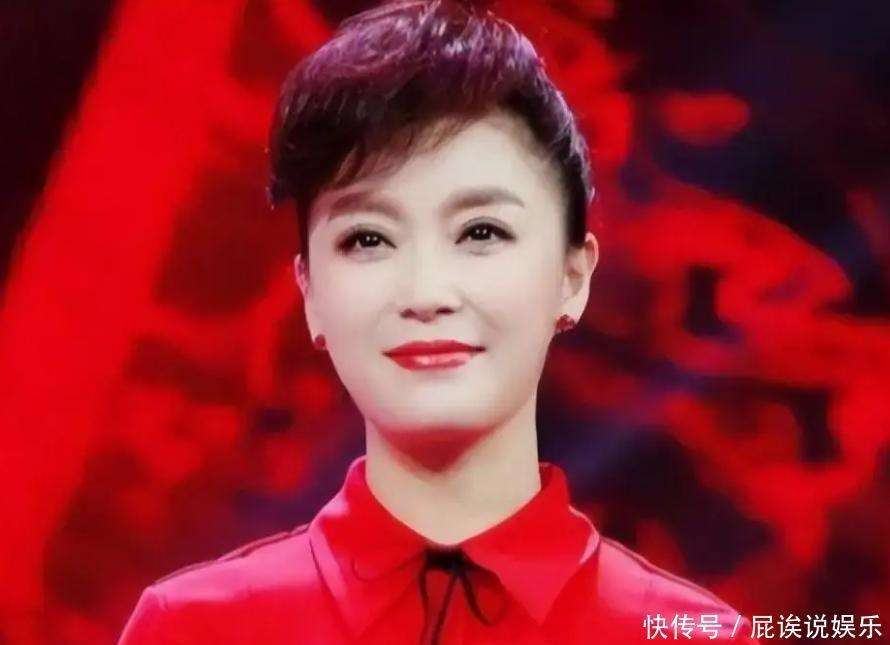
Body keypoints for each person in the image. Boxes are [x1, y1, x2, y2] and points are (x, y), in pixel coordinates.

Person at [120, 1, 758, 643]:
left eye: (481, 232)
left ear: (573, 277)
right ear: (309, 291)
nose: (425, 292)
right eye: (368, 239)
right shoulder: (194, 625)